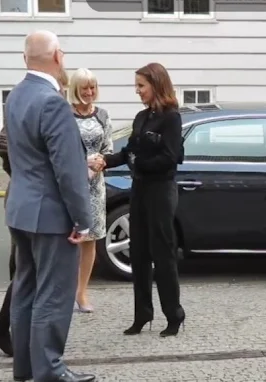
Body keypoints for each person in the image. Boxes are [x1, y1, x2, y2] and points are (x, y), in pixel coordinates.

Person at [5, 30, 96, 382]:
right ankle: (50, 370)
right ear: (58, 56)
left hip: (20, 209)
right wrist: (83, 220)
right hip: (51, 214)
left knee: (25, 289)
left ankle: (26, 368)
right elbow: (69, 169)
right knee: (54, 295)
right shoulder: (52, 101)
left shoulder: (15, 96)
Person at [0, 72, 70, 358]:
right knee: (27, 275)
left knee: (25, 274)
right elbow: (2, 148)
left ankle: (6, 335)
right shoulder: (44, 104)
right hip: (33, 198)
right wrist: (26, 178)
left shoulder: (23, 99)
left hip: (23, 196)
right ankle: (7, 335)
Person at [99, 63, 185, 337]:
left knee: (163, 255)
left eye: (141, 86)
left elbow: (170, 158)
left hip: (161, 192)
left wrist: (140, 162)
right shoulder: (140, 117)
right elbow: (128, 152)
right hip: (140, 191)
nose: (137, 91)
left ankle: (174, 315)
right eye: (136, 86)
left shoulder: (171, 118)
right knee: (139, 254)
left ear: (156, 85)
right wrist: (105, 161)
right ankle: (142, 314)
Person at [69, 68, 113, 313]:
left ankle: (82, 292)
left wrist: (101, 161)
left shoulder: (102, 115)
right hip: (72, 183)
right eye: (84, 87)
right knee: (71, 238)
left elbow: (108, 145)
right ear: (75, 88)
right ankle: (65, 290)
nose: (88, 92)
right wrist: (82, 163)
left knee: (91, 239)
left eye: (92, 87)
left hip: (96, 185)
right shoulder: (65, 114)